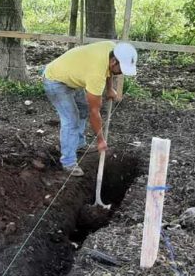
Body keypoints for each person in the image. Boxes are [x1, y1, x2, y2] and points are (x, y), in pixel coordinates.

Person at [42, 41, 138, 176]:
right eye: (122, 69)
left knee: (83, 109)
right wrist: (100, 140)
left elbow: (109, 71)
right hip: (55, 80)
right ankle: (68, 162)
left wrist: (110, 89)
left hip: (72, 77)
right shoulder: (96, 75)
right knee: (71, 119)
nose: (122, 73)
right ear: (114, 61)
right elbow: (95, 112)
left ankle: (79, 144)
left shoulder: (112, 48)